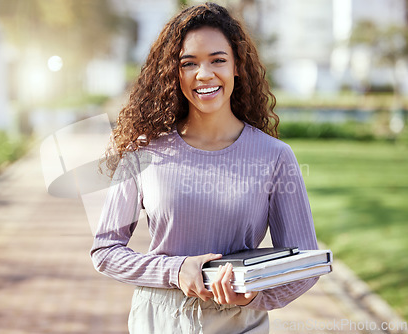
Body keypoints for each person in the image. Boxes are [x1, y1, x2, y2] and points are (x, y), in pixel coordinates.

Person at [90, 2, 319, 333]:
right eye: (189, 63)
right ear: (174, 72)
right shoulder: (144, 151)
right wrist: (175, 270)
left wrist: (252, 296)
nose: (204, 74)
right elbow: (106, 251)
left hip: (239, 323)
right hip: (160, 321)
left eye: (218, 60)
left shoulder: (275, 157)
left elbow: (305, 266)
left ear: (237, 66)